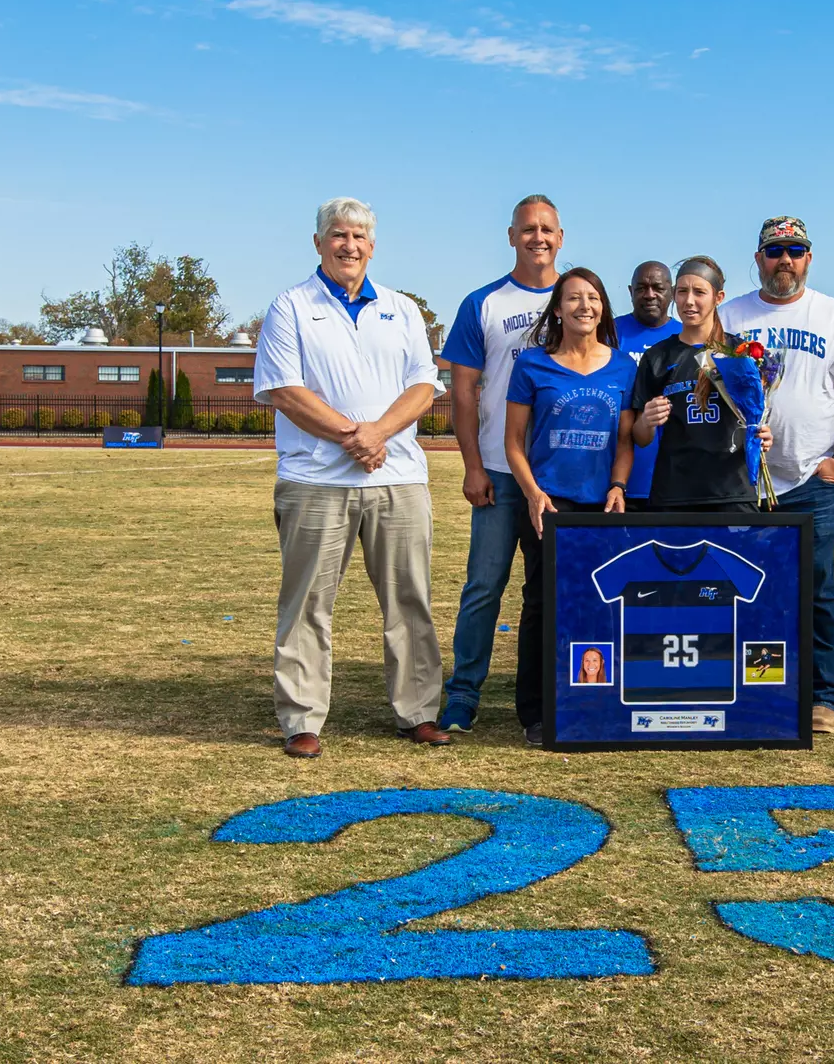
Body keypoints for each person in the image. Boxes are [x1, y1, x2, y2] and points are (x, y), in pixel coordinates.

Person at [252, 197, 450, 757]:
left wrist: (378, 433)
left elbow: (421, 385)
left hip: (397, 478)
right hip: (316, 481)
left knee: (410, 600)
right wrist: (351, 435)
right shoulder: (290, 307)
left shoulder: (401, 308)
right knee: (308, 602)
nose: (349, 245)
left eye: (360, 236)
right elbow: (286, 392)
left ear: (373, 245)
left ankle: (418, 712)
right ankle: (302, 719)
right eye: (338, 235)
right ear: (318, 243)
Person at [720, 217, 834, 734]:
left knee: (816, 589)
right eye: (773, 251)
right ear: (758, 256)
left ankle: (823, 696)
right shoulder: (730, 316)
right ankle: (753, 687)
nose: (783, 260)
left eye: (794, 250)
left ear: (808, 258)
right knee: (743, 585)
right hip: (743, 478)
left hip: (809, 478)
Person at [438, 194, 563, 734]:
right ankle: (463, 694)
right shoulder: (483, 303)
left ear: (562, 237)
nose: (539, 237)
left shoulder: (578, 298)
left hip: (559, 477)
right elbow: (462, 392)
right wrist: (472, 465)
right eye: (528, 229)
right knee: (485, 586)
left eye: (548, 229)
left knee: (550, 591)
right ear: (511, 236)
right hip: (498, 472)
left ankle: (546, 696)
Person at [503, 267, 635, 745]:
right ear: (557, 309)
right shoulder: (533, 365)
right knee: (541, 605)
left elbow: (625, 440)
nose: (585, 306)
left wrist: (618, 486)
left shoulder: (623, 366)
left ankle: (593, 700)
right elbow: (513, 442)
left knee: (600, 606)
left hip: (601, 509)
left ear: (603, 307)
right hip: (549, 506)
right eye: (574, 298)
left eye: (593, 298)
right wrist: (535, 494)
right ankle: (536, 711)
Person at [629, 256, 772, 513]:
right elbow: (640, 437)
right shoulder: (658, 356)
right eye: (682, 291)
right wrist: (647, 420)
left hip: (733, 493)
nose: (689, 301)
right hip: (674, 494)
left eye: (699, 292)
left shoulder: (739, 352)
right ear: (673, 295)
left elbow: (757, 417)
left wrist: (762, 434)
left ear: (718, 297)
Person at [613, 261, 682, 508]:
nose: (649, 294)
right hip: (618, 481)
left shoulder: (685, 337)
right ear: (630, 292)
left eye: (657, 288)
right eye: (641, 288)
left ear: (672, 292)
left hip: (672, 482)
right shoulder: (610, 332)